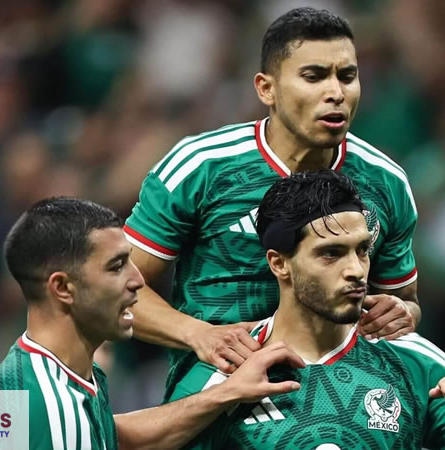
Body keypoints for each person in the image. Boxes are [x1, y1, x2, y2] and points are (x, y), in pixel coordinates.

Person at [124, 6, 420, 399]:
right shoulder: (201, 167)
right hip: (217, 392)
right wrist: (199, 334)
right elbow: (116, 287)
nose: (336, 92)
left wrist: (401, 313)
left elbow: (405, 302)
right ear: (267, 89)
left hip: (338, 400)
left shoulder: (386, 182)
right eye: (314, 76)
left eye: (347, 76)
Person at [168, 170, 445, 450]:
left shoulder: (414, 361)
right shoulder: (228, 371)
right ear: (279, 263)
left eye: (361, 250)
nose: (356, 270)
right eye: (331, 253)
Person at [0, 197, 305, 450]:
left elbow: (114, 435)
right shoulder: (55, 408)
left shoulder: (48, 371)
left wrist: (226, 393)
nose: (138, 280)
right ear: (63, 288)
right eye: (116, 266)